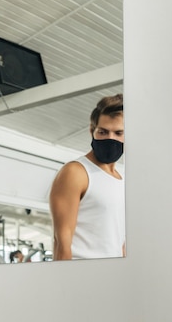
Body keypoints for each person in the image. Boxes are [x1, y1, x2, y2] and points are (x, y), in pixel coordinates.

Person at [49, 94, 125, 260]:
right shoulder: (76, 172)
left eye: (118, 133)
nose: (110, 139)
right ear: (92, 131)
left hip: (114, 276)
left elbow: (121, 241)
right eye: (103, 132)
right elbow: (62, 242)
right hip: (83, 275)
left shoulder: (123, 179)